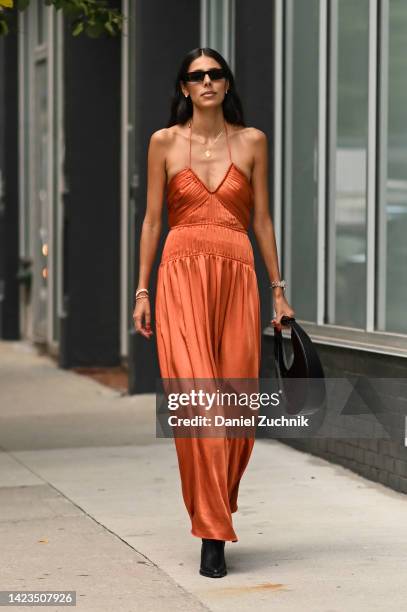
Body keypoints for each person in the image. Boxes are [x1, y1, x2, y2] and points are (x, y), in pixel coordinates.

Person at [133, 47, 295, 578]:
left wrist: (278, 289)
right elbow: (153, 221)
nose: (206, 82)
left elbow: (263, 219)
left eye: (215, 74)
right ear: (183, 88)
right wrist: (141, 290)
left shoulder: (252, 142)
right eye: (196, 76)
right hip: (179, 276)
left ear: (226, 84)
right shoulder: (163, 142)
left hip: (237, 275)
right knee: (199, 406)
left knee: (237, 410)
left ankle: (218, 507)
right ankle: (211, 533)